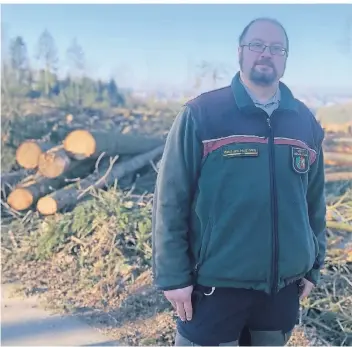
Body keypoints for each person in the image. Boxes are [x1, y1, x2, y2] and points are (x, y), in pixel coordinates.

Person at [152, 17, 327, 346]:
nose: (266, 53)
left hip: (281, 292)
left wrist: (313, 265)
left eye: (277, 48)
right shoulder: (202, 114)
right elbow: (170, 200)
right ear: (240, 53)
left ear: (285, 58)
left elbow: (314, 203)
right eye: (257, 45)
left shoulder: (305, 123)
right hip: (214, 288)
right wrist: (174, 276)